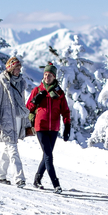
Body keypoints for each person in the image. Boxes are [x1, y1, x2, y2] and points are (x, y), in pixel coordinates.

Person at [27, 62, 71, 193]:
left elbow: (65, 111)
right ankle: (56, 184)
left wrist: (67, 125)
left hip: (54, 128)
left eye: (50, 75)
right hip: (40, 127)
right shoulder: (37, 90)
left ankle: (37, 179)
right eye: (45, 74)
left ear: (54, 77)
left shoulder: (59, 93)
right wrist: (35, 100)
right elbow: (28, 108)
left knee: (47, 155)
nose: (47, 77)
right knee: (48, 156)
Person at [0, 56, 30, 186]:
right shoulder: (0, 83)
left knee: (8, 148)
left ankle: (0, 175)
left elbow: (22, 103)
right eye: (17, 68)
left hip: (17, 120)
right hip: (6, 120)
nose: (19, 70)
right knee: (13, 148)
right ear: (11, 69)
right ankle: (19, 178)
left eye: (20, 68)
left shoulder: (20, 83)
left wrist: (26, 121)